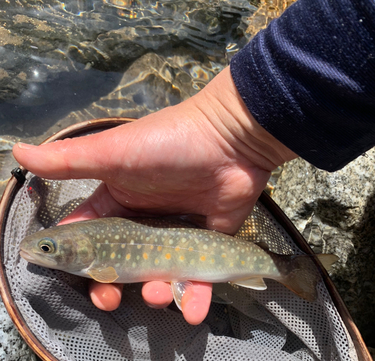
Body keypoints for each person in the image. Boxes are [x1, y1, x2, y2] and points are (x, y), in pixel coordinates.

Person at [12, 0, 375, 325]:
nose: (37, 252)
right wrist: (235, 133)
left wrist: (235, 132)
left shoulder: (100, 266)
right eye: (48, 247)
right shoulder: (92, 251)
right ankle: (286, 268)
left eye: (48, 248)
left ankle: (287, 269)